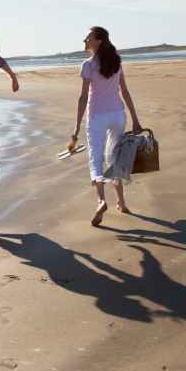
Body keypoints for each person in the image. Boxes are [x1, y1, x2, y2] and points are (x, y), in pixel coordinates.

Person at [71, 27, 143, 227]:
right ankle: (121, 202)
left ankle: (101, 201)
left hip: (97, 117)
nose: (85, 39)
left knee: (96, 159)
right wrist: (135, 120)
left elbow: (83, 97)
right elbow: (125, 92)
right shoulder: (116, 61)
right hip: (118, 115)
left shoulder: (88, 65)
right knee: (115, 158)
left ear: (99, 41)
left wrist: (76, 127)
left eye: (89, 37)